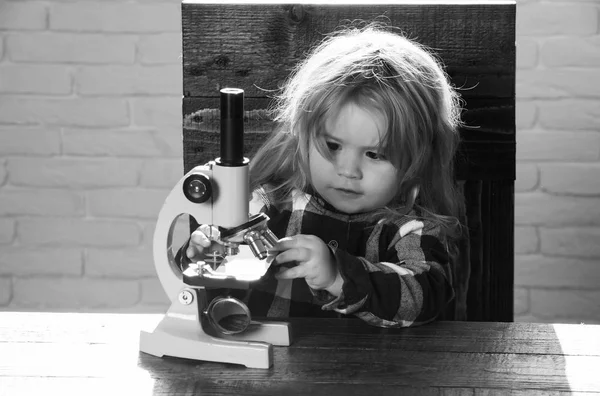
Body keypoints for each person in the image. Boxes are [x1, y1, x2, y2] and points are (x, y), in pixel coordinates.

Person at [177, 24, 465, 327]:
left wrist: (338, 275)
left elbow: (423, 298)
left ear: (418, 160)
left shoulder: (411, 230)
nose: (348, 171)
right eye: (332, 145)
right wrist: (200, 254)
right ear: (302, 136)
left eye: (375, 154)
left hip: (375, 371)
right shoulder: (268, 206)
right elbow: (220, 286)